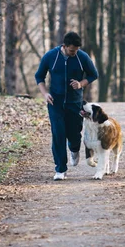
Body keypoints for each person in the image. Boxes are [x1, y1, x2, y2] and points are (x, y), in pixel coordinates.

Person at [35, 31, 98, 180]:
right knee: (58, 134)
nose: (73, 53)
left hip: (75, 103)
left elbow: (93, 74)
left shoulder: (82, 57)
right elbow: (39, 76)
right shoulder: (51, 56)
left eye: (76, 50)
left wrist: (81, 84)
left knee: (74, 134)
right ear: (64, 46)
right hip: (55, 102)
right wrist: (45, 94)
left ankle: (74, 149)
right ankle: (60, 169)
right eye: (71, 50)